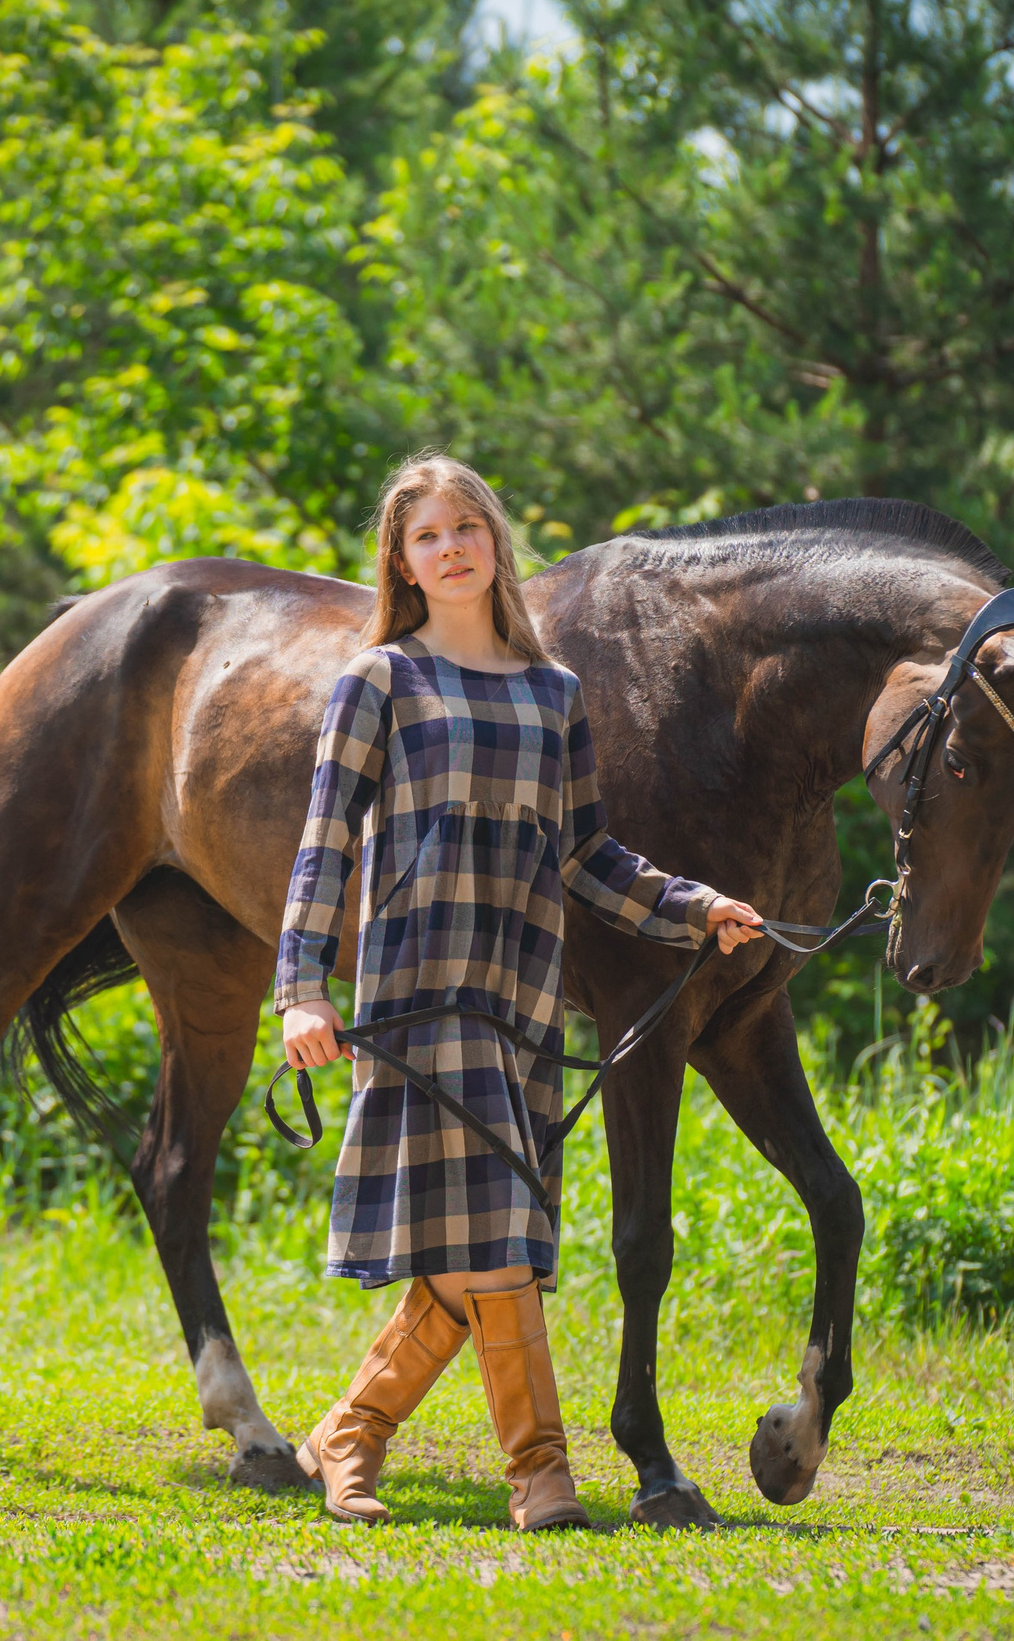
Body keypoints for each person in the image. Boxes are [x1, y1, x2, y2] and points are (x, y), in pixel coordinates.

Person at [275, 452, 764, 1529]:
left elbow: (586, 854)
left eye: (465, 529)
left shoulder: (553, 693)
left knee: (476, 1245)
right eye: (426, 536)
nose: (449, 549)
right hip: (417, 991)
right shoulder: (381, 681)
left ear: (493, 541)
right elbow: (323, 844)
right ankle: (540, 1476)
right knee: (494, 1242)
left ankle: (347, 1435)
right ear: (401, 562)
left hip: (522, 998)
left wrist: (694, 906)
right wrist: (301, 988)